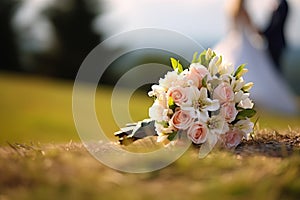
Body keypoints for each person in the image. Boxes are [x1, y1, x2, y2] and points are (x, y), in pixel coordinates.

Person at [213, 0, 298, 114]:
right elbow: (252, 27)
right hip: (246, 40)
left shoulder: (230, 8)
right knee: (264, 71)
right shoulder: (243, 10)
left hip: (234, 38)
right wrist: (260, 36)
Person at [262, 0, 289, 72]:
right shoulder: (280, 4)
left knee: (275, 68)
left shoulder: (283, 4)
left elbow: (276, 24)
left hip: (276, 42)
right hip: (274, 42)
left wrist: (263, 33)